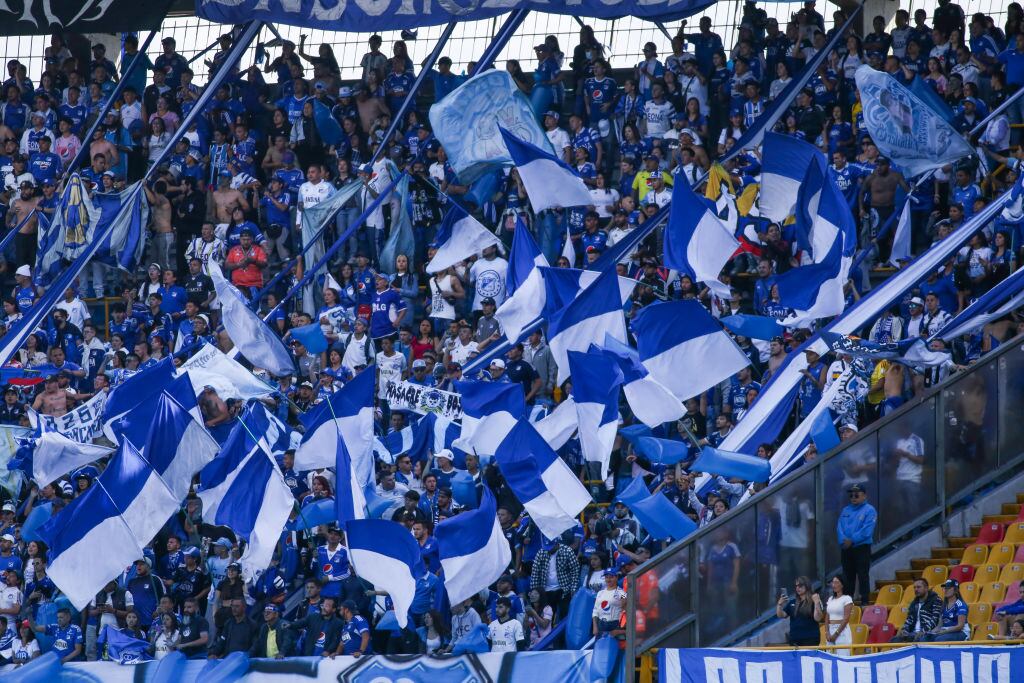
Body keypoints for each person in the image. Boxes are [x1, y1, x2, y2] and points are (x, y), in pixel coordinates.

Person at [837, 483, 876, 604]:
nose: (853, 497)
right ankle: (848, 601)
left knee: (862, 574)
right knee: (848, 576)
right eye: (851, 495)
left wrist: (852, 540)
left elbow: (867, 530)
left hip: (861, 547)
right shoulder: (845, 510)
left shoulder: (870, 510)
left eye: (856, 495)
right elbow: (839, 527)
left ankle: (865, 601)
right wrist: (842, 540)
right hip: (846, 548)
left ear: (864, 496)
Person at [891, 577, 942, 642]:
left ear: (926, 588)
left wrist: (923, 631)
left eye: (918, 587)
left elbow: (935, 619)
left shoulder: (936, 600)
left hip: (928, 633)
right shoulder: (914, 603)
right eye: (914, 587)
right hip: (913, 633)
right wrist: (904, 630)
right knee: (894, 640)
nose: (916, 589)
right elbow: (909, 620)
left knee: (920, 639)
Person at [814, 575, 853, 655]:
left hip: (841, 631)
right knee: (830, 657)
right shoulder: (830, 599)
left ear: (842, 584)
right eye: (833, 582)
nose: (833, 585)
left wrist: (836, 634)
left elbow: (846, 619)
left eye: (836, 582)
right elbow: (827, 618)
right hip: (830, 629)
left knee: (842, 656)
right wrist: (827, 632)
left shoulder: (847, 598)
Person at [775, 576, 819, 646]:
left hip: (810, 639)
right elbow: (781, 615)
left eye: (800, 585)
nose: (797, 588)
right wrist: (779, 604)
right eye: (796, 586)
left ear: (807, 586)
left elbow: (818, 618)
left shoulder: (814, 601)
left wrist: (817, 603)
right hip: (794, 640)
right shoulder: (792, 602)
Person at [592, 569, 626, 638]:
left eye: (611, 577)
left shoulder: (622, 593)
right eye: (606, 577)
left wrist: (619, 630)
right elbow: (595, 611)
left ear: (616, 578)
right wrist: (595, 627)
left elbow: (625, 610)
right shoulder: (600, 593)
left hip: (615, 625)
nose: (608, 579)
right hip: (601, 625)